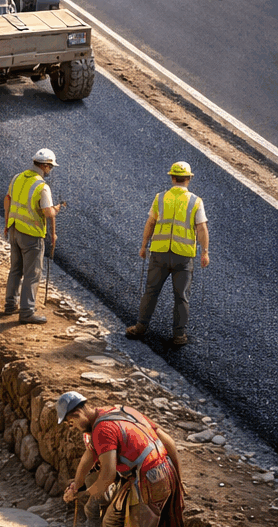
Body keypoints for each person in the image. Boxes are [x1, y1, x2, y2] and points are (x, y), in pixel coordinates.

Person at [57, 391, 184, 527]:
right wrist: (77, 486)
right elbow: (168, 441)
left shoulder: (102, 430)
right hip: (164, 471)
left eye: (71, 423)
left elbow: (108, 475)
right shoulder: (121, 411)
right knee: (111, 521)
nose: (73, 428)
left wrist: (84, 494)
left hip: (149, 481)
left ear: (77, 413)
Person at [126, 161, 209, 346]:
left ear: (172, 178)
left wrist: (143, 246)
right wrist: (205, 252)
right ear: (188, 179)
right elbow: (202, 228)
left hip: (159, 254)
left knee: (151, 292)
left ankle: (140, 328)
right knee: (181, 297)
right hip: (183, 257)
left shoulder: (161, 197)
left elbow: (150, 223)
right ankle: (179, 336)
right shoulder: (196, 201)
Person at [3, 148, 66, 324]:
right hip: (31, 235)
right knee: (33, 273)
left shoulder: (17, 178)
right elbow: (47, 212)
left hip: (14, 229)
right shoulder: (41, 187)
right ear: (45, 166)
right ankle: (26, 312)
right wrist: (56, 210)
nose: (50, 171)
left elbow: (7, 199)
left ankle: (10, 305)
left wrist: (6, 224)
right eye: (50, 167)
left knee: (16, 269)